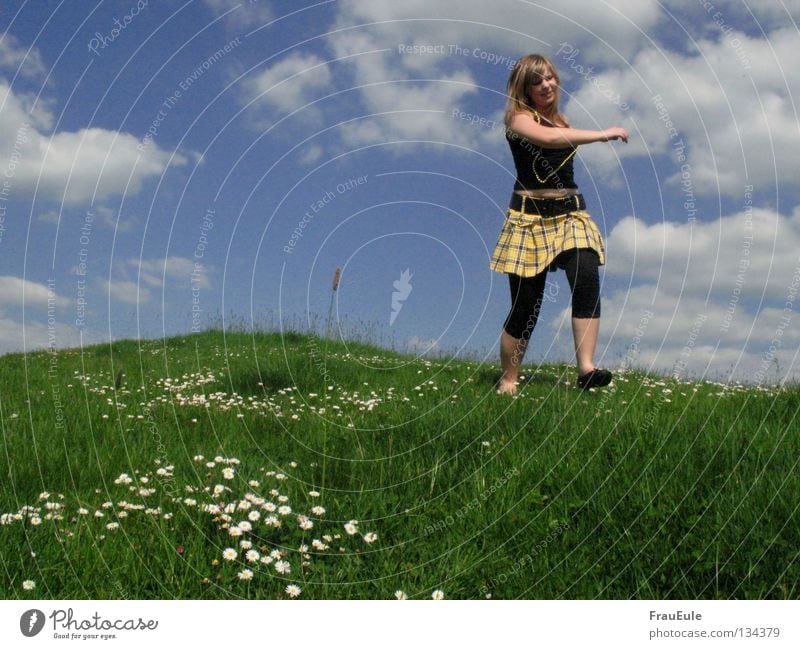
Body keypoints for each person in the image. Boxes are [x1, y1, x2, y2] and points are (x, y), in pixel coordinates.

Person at [490, 53, 628, 394]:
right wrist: (601, 134)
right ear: (525, 90)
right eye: (537, 81)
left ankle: (587, 370)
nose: (546, 84)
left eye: (550, 77)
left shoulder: (565, 123)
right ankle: (509, 378)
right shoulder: (517, 118)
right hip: (528, 218)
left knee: (585, 276)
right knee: (526, 305)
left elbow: (559, 136)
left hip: (570, 214)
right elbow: (548, 140)